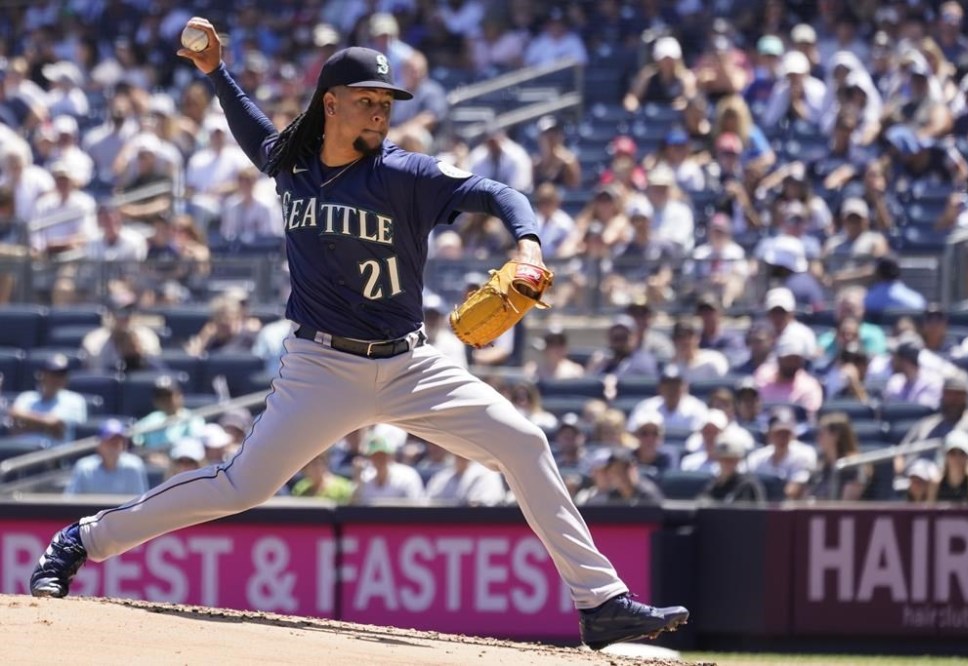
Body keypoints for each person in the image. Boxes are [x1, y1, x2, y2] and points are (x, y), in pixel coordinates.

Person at [30, 26, 688, 649]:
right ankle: (82, 540)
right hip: (319, 366)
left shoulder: (406, 172)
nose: (380, 112)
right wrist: (216, 72)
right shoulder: (291, 164)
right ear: (331, 103)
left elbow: (498, 192)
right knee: (241, 488)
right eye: (367, 101)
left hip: (410, 366)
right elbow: (250, 130)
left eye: (386, 102)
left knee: (523, 441)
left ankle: (599, 604)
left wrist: (529, 246)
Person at [8, 354, 87, 446]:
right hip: (22, 455)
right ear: (41, 375)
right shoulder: (25, 397)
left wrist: (27, 423)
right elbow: (14, 426)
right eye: (53, 374)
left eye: (62, 374)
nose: (57, 378)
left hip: (55, 456)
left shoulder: (75, 400)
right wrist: (46, 427)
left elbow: (55, 424)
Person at [65, 419, 148, 497]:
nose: (114, 446)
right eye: (110, 441)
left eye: (118, 442)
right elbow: (71, 501)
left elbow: (139, 504)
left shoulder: (134, 467)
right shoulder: (84, 468)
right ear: (99, 445)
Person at [806, 412, 871, 501]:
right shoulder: (820, 465)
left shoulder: (853, 466)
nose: (818, 438)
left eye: (822, 433)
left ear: (835, 435)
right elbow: (807, 496)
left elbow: (847, 503)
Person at [927, 430, 968, 506]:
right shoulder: (936, 483)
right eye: (952, 453)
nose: (957, 458)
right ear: (945, 456)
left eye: (962, 453)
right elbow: (930, 513)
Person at [696, 433, 765, 504]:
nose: (726, 463)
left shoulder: (747, 484)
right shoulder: (713, 484)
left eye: (731, 460)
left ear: (738, 460)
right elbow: (703, 506)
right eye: (723, 459)